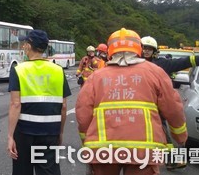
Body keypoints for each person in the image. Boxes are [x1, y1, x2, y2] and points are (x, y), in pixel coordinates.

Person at [76, 28, 188, 175]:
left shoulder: (97, 77)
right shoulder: (155, 72)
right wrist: (180, 136)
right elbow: (173, 108)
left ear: (110, 50)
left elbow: (83, 112)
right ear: (138, 48)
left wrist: (86, 140)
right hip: (144, 150)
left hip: (103, 148)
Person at [140, 35, 199, 170]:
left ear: (154, 51)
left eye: (149, 49)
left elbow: (181, 62)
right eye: (144, 48)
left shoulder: (161, 64)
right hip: (135, 103)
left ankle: (172, 159)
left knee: (161, 130)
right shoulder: (133, 63)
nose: (146, 51)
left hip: (153, 105)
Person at [7, 29, 71, 175]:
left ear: (29, 46)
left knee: (22, 171)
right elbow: (64, 107)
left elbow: (15, 104)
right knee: (48, 171)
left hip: (24, 132)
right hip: (50, 132)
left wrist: (10, 136)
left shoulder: (18, 70)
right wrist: (60, 132)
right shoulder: (58, 70)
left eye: (25, 43)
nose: (23, 46)